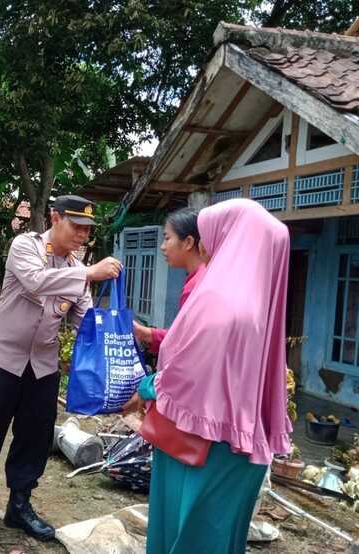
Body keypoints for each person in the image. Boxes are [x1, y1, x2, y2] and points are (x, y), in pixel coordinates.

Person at [0, 195, 123, 551]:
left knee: (34, 436)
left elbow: (83, 317)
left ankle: (19, 505)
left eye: (88, 230)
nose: (83, 235)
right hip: (2, 358)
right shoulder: (25, 247)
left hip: (42, 366)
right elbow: (37, 281)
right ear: (55, 217)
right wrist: (89, 272)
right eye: (77, 226)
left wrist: (116, 333)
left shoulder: (76, 267)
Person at [123, 198, 292, 554]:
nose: (206, 246)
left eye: (211, 237)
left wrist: (147, 386)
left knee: (187, 535)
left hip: (201, 442)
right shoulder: (260, 303)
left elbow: (185, 370)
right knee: (221, 538)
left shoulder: (217, 299)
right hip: (242, 446)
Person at [132, 208, 206, 352]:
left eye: (167, 238)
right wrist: (143, 332)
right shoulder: (203, 275)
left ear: (188, 242)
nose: (162, 247)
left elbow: (184, 344)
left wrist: (145, 333)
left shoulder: (196, 285)